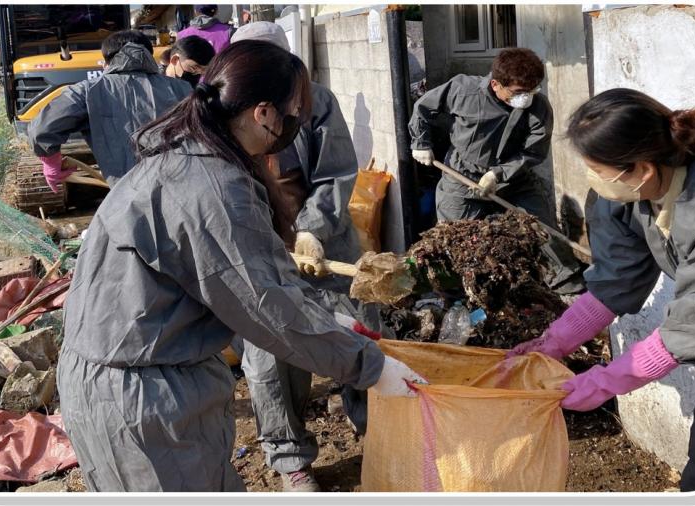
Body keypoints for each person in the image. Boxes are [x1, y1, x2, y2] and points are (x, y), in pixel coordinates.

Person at [56, 39, 426, 493]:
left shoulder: (185, 155)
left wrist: (328, 319)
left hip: (137, 382)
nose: (296, 124)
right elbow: (266, 306)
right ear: (264, 113)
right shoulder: (212, 188)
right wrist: (372, 367)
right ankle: (290, 453)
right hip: (142, 401)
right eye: (293, 113)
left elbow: (257, 278)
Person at [508, 88, 695, 492]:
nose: (593, 180)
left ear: (642, 169)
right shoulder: (630, 191)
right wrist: (554, 342)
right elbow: (617, 279)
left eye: (597, 170)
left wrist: (601, 383)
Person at [228, 21, 370, 492]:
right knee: (270, 355)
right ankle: (291, 457)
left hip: (324, 241)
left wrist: (312, 229)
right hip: (259, 248)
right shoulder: (224, 113)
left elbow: (336, 172)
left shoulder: (316, 103)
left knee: (355, 332)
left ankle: (375, 427)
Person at [408, 47, 583, 293]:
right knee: (453, 238)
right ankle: (459, 293)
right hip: (462, 176)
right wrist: (420, 143)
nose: (526, 97)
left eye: (532, 90)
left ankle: (567, 284)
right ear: (495, 84)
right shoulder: (463, 90)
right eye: (519, 92)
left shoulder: (539, 107)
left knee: (543, 229)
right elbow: (423, 108)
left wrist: (498, 174)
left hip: (514, 179)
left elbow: (533, 152)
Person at [29, 30, 192, 189]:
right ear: (149, 55)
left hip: (129, 193)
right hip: (184, 187)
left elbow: (42, 129)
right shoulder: (183, 88)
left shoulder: (87, 91)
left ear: (106, 62)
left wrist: (51, 162)